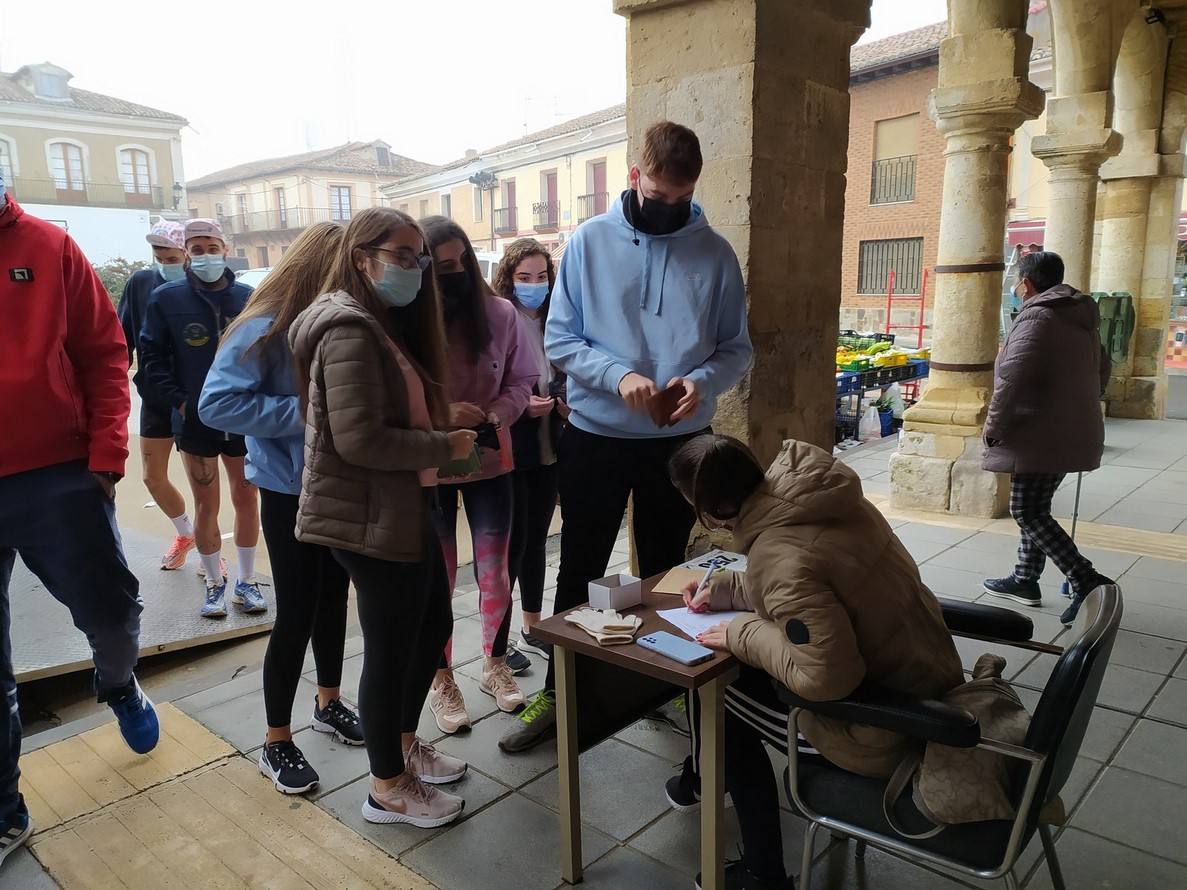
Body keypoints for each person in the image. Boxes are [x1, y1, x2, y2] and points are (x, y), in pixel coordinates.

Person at [500, 120, 753, 753]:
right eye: (659, 196)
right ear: (634, 175)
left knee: (669, 572)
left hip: (681, 441)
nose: (670, 211)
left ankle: (662, 683)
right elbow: (562, 339)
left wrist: (701, 381)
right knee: (581, 566)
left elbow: (735, 348)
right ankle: (561, 695)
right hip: (597, 434)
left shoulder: (715, 252)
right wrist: (620, 378)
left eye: (682, 198)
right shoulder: (588, 243)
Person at [669, 434, 963, 890]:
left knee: (716, 696)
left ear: (706, 508)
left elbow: (826, 676)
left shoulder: (780, 556)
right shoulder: (822, 500)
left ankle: (763, 872)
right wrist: (729, 587)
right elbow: (819, 582)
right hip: (928, 676)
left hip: (888, 725)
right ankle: (701, 780)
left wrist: (739, 632)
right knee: (739, 674)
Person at [288, 206, 476, 827]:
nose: (417, 268)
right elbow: (359, 440)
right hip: (367, 515)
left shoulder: (379, 321)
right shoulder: (348, 329)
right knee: (393, 648)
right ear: (362, 256)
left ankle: (398, 746)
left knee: (430, 627)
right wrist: (443, 448)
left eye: (418, 256)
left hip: (398, 502)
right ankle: (386, 790)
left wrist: (443, 431)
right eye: (403, 255)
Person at [0, 186, 159, 869]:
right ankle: (7, 809)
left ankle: (118, 683)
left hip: (57, 474)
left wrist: (105, 456)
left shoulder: (47, 246)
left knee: (111, 614)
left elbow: (103, 353)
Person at [199, 222, 364, 795]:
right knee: (295, 611)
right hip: (289, 489)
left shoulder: (339, 320)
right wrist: (307, 413)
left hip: (337, 483)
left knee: (333, 601)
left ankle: (329, 702)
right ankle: (275, 741)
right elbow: (216, 404)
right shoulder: (263, 327)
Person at [421, 217, 536, 732]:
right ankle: (440, 675)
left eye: (461, 260)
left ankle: (495, 662)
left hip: (491, 458)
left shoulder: (500, 313)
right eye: (441, 265)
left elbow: (522, 379)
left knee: (496, 570)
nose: (455, 272)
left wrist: (496, 415)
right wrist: (442, 413)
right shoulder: (407, 318)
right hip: (428, 462)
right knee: (437, 578)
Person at [982, 250, 1114, 626]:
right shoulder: (1078, 315)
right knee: (1037, 505)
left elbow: (1010, 381)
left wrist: (994, 429)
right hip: (1068, 426)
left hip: (1037, 430)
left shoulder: (1037, 317)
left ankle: (1084, 578)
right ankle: (1025, 579)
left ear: (1026, 283)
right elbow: (1102, 367)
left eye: (1017, 283)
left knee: (1026, 510)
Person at [139, 219, 263, 619]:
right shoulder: (166, 298)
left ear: (225, 249)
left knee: (247, 498)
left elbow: (266, 352)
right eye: (197, 248)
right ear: (187, 252)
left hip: (243, 419)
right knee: (206, 503)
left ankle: (246, 582)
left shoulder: (248, 297)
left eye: (212, 246)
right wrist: (180, 404)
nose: (206, 254)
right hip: (194, 423)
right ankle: (214, 584)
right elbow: (152, 359)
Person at [491, 239, 568, 660]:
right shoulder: (500, 317)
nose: (534, 286)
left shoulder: (556, 314)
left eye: (541, 277)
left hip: (548, 438)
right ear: (509, 278)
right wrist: (519, 405)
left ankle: (533, 627)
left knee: (537, 538)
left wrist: (560, 399)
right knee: (511, 546)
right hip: (513, 441)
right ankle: (496, 645)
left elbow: (559, 366)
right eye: (524, 278)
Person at [118, 221, 196, 570]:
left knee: (202, 481)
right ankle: (186, 533)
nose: (164, 262)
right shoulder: (140, 283)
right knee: (153, 476)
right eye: (158, 255)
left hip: (196, 401)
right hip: (155, 397)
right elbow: (121, 340)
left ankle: (211, 555)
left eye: (171, 256)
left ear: (186, 255)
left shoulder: (201, 286)